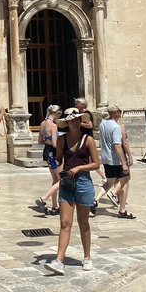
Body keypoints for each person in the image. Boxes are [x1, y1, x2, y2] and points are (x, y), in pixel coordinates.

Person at [45, 108, 100, 275]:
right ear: (67, 123)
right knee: (64, 223)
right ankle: (59, 260)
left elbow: (96, 164)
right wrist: (54, 160)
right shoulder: (62, 140)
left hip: (83, 181)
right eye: (72, 120)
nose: (75, 122)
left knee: (83, 223)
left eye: (77, 119)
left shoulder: (88, 140)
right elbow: (60, 158)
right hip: (67, 183)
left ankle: (87, 257)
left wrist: (79, 168)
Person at [93, 106, 135, 218]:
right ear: (116, 113)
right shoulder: (116, 127)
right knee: (125, 180)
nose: (121, 113)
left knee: (109, 182)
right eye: (119, 111)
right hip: (115, 159)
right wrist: (124, 162)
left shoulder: (102, 124)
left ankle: (95, 200)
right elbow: (117, 145)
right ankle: (115, 197)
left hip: (106, 158)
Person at [35, 105, 61, 215]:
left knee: (55, 179)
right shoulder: (53, 126)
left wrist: (47, 138)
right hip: (54, 153)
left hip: (46, 151)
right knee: (62, 180)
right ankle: (44, 198)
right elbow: (55, 144)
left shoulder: (43, 123)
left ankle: (55, 206)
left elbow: (40, 141)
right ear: (56, 113)